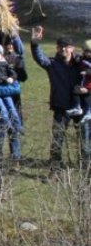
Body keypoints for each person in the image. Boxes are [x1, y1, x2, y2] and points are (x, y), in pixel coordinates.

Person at [29, 26, 85, 169]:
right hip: (61, 107)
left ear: (72, 48)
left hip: (80, 107)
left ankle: (85, 166)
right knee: (57, 140)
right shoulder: (53, 64)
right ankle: (55, 168)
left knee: (84, 139)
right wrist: (35, 43)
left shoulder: (81, 63)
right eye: (60, 47)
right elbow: (40, 58)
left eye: (66, 47)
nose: (63, 49)